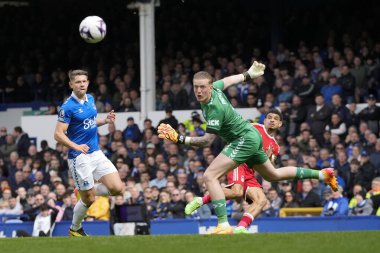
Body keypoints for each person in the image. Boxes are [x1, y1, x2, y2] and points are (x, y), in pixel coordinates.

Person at [157, 62, 338, 234]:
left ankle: (223, 224)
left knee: (209, 176)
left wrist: (179, 138)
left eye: (202, 87)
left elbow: (207, 141)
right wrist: (248, 74)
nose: (198, 90)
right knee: (272, 175)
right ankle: (323, 174)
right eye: (196, 86)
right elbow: (229, 80)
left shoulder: (214, 109)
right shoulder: (216, 89)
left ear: (210, 87)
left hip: (242, 140)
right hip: (250, 138)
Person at [184, 109, 283, 234]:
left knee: (261, 201)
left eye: (276, 119)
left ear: (280, 124)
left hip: (250, 172)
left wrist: (268, 158)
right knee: (237, 192)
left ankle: (241, 228)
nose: (272, 120)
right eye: (269, 117)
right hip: (239, 162)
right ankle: (201, 200)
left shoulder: (275, 146)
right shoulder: (254, 127)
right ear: (265, 120)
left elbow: (270, 169)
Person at [54, 69, 123, 237]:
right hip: (79, 158)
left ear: (88, 82)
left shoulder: (90, 99)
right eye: (78, 82)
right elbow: (58, 134)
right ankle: (75, 228)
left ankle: (85, 190)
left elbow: (89, 122)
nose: (82, 84)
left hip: (96, 153)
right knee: (90, 200)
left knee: (117, 188)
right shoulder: (67, 107)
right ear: (71, 84)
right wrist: (76, 146)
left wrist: (104, 121)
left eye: (84, 81)